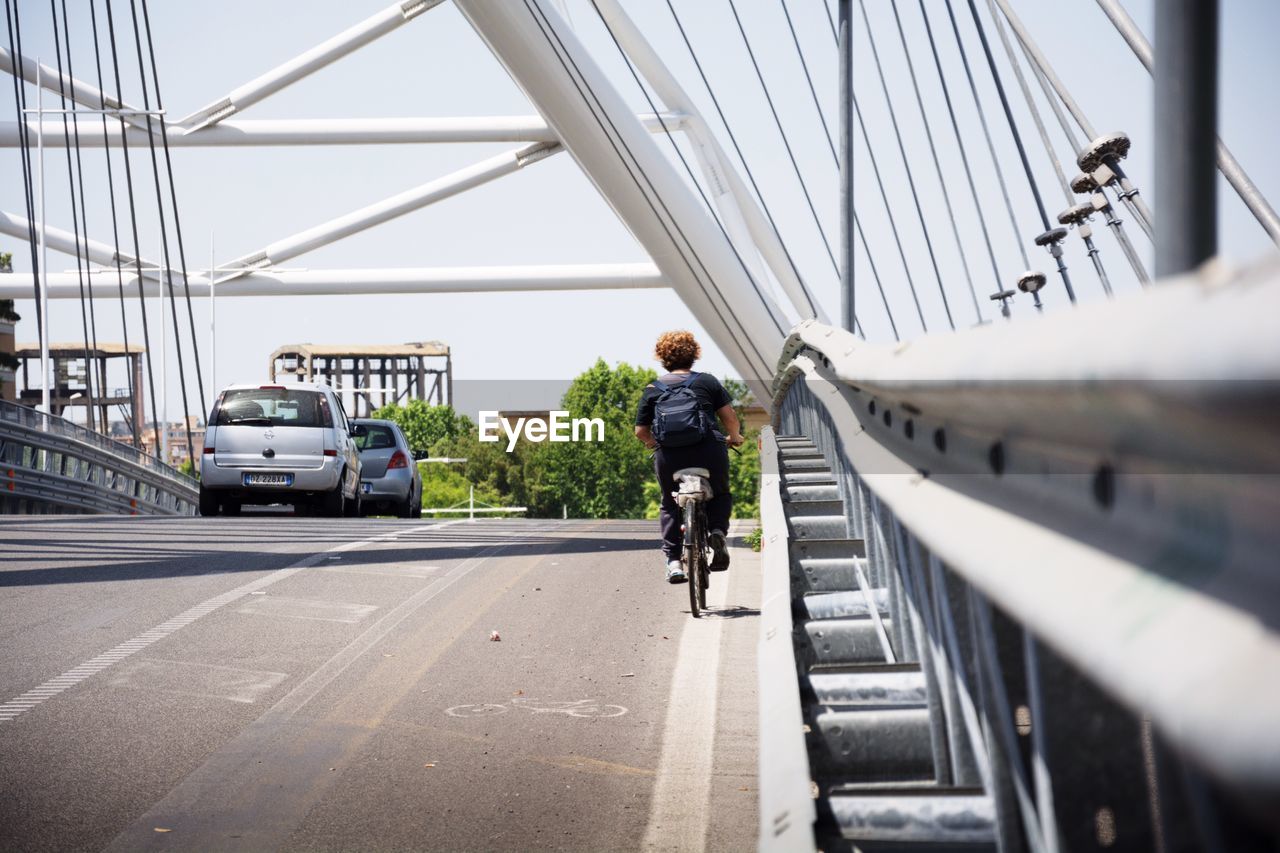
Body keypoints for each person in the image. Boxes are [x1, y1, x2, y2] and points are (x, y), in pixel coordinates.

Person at [635, 331, 745, 584]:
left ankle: (674, 561)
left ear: (662, 357)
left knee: (669, 502)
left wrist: (653, 443)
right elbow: (729, 418)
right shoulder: (708, 382)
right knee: (720, 492)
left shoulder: (653, 388)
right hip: (708, 449)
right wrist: (735, 437)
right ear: (694, 354)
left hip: (669, 455)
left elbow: (640, 431)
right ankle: (717, 531)